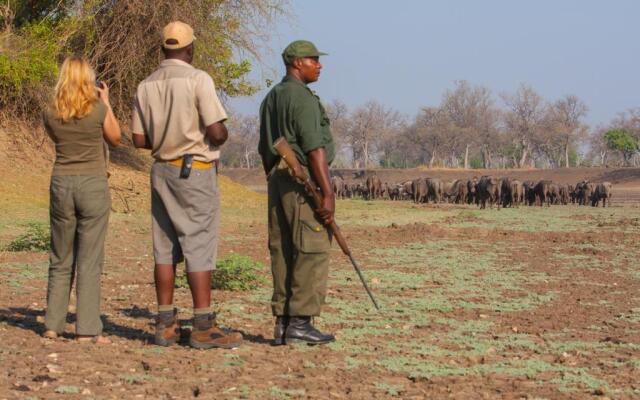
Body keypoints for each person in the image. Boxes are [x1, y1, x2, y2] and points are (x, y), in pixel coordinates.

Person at [131, 21, 242, 349]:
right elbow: (217, 131)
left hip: (161, 169)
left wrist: (165, 136)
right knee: (198, 244)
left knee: (164, 247)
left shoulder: (145, 85)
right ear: (191, 48)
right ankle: (203, 325)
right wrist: (213, 133)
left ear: (163, 49)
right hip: (193, 171)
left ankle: (165, 323)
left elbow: (138, 138)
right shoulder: (198, 79)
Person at [258, 40, 336, 345]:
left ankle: (283, 323)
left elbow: (266, 149)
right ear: (296, 63)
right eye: (313, 60)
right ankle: (301, 323)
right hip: (303, 181)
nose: (319, 65)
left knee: (283, 250)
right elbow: (314, 149)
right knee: (311, 248)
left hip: (278, 180)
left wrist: (275, 181)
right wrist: (326, 192)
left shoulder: (271, 97)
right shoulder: (301, 97)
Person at [42, 57, 121, 344]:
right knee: (89, 259)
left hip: (62, 182)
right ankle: (87, 328)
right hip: (92, 185)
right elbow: (115, 137)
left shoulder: (51, 112)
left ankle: (53, 324)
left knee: (60, 257)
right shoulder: (98, 108)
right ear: (88, 78)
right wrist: (107, 101)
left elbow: (55, 138)